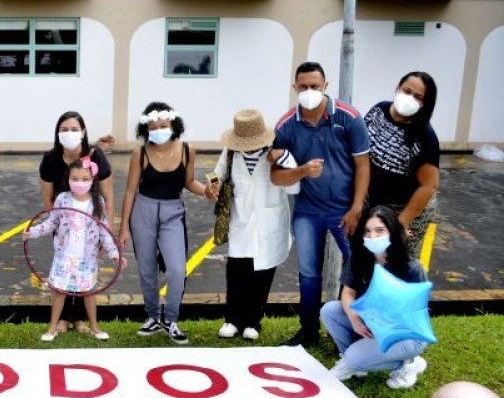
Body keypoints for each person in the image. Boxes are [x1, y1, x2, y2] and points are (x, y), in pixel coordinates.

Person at [271, 62, 370, 347]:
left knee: (356, 269)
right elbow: (276, 176)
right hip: (308, 211)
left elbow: (363, 165)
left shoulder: (349, 117)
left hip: (345, 211)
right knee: (309, 273)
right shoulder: (286, 124)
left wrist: (357, 208)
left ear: (325, 86)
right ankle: (309, 331)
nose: (309, 91)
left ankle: (348, 331)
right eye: (303, 87)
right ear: (294, 88)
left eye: (315, 86)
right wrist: (302, 170)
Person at [118, 102, 214, 344]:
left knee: (177, 269)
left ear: (173, 125)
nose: (158, 129)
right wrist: (122, 228)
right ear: (145, 128)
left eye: (163, 125)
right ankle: (152, 316)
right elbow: (130, 191)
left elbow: (190, 181)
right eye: (153, 126)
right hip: (143, 209)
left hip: (173, 210)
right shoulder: (140, 153)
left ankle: (171, 319)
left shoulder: (187, 150)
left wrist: (207, 192)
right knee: (146, 268)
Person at [321, 205, 431, 389]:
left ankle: (408, 364)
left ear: (393, 232)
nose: (373, 237)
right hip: (371, 321)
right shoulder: (360, 258)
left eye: (380, 231)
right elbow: (348, 292)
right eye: (367, 231)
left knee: (355, 357)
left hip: (405, 333)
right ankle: (355, 362)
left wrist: (380, 325)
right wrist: (354, 318)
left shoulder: (410, 268)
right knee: (330, 311)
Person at [211, 110, 293, 341]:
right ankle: (232, 320)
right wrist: (213, 187)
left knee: (263, 274)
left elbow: (293, 184)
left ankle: (253, 321)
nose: (246, 147)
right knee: (237, 271)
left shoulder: (277, 154)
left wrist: (285, 160)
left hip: (269, 221)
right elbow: (215, 175)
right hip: (240, 220)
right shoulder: (230, 153)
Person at [26, 157, 123, 342]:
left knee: (88, 292)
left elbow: (104, 231)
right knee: (59, 292)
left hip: (87, 259)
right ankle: (52, 328)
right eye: (75, 179)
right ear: (68, 178)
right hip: (64, 257)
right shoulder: (62, 199)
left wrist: (114, 254)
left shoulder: (98, 202)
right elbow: (51, 223)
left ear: (92, 180)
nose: (80, 183)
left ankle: (94, 327)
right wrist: (32, 232)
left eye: (85, 179)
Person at [38, 111, 116, 335]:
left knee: (86, 267)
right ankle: (62, 319)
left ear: (83, 132)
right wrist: (53, 225)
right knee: (65, 267)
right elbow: (48, 198)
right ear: (57, 133)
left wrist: (107, 233)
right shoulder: (50, 159)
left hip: (90, 223)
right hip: (64, 221)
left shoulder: (96, 156)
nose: (69, 133)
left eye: (74, 129)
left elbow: (108, 195)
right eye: (64, 129)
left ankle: (80, 319)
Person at [363, 72, 440, 258]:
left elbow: (430, 186)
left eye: (418, 97)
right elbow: (362, 152)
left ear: (424, 104)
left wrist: (399, 224)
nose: (409, 98)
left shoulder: (425, 137)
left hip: (404, 209)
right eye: (407, 91)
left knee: (394, 264)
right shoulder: (378, 111)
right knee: (363, 260)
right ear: (398, 87)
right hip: (372, 203)